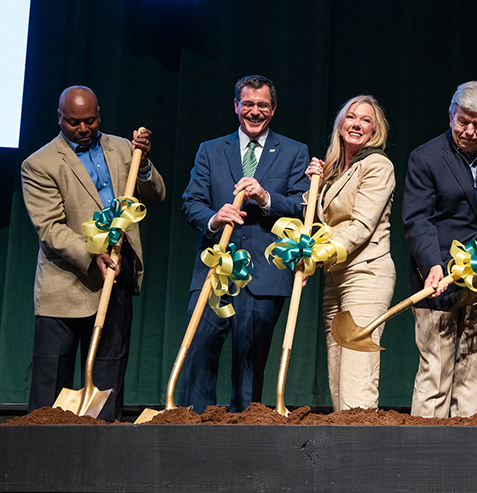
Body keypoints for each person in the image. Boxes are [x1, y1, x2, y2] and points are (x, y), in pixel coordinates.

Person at [21, 85, 166, 421]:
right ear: (59, 117)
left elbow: (155, 197)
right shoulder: (39, 164)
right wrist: (92, 253)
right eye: (74, 122)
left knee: (108, 376)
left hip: (116, 273)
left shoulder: (121, 148)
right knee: (50, 384)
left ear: (98, 114)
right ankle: (45, 458)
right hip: (66, 284)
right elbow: (50, 228)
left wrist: (142, 165)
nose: (83, 128)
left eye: (89, 120)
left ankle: (102, 455)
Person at [180, 75, 310, 413]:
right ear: (236, 106)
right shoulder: (210, 150)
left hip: (263, 277)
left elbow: (302, 207)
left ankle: (242, 437)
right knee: (198, 354)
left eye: (262, 105)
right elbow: (191, 202)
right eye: (248, 104)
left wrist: (266, 198)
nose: (254, 112)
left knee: (250, 365)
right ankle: (192, 431)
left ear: (273, 108)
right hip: (214, 268)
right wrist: (213, 216)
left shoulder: (295, 152)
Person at [402, 81, 477, 418]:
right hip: (439, 280)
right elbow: (417, 221)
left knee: (475, 372)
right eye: (462, 122)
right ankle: (425, 452)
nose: (469, 131)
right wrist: (432, 265)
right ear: (451, 114)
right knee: (436, 373)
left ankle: (466, 452)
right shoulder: (425, 157)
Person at [304, 95, 395, 411]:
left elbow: (360, 225)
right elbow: (318, 221)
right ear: (341, 124)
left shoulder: (377, 165)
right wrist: (313, 186)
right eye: (351, 117)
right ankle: (342, 452)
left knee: (357, 377)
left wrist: (315, 256)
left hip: (366, 274)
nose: (357, 123)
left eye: (366, 119)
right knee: (338, 376)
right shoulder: (333, 173)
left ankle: (363, 453)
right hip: (335, 278)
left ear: (375, 130)